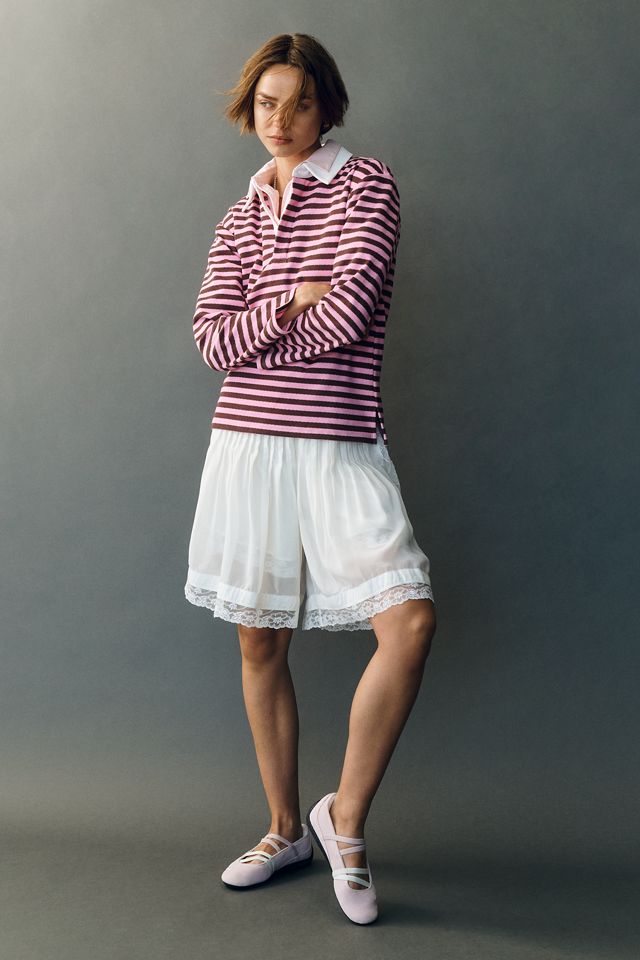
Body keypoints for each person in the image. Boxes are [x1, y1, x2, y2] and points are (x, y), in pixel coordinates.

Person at [184, 33, 437, 924]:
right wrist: (291, 299)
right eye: (266, 103)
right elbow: (211, 342)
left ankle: (345, 820)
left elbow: (351, 315)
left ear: (327, 106)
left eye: (297, 103)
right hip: (248, 447)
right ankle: (286, 828)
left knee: (408, 622)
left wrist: (267, 324)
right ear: (249, 108)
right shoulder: (239, 217)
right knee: (259, 643)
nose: (280, 120)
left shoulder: (366, 185)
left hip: (337, 441)